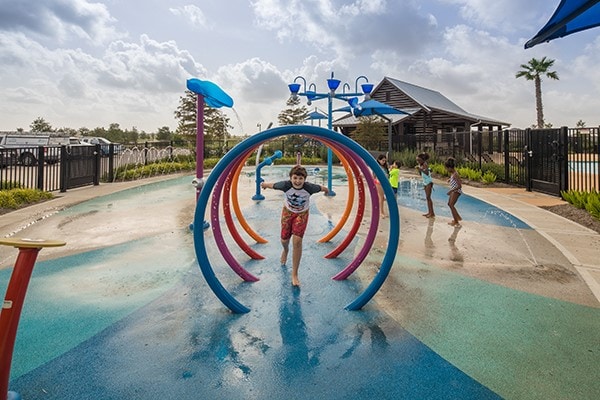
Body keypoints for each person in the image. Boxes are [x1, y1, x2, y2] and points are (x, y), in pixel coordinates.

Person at [261, 165, 329, 287]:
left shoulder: (310, 188)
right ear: (291, 178)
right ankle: (285, 250)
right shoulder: (285, 185)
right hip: (287, 212)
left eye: (300, 178)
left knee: (297, 241)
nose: (297, 181)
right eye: (295, 178)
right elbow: (273, 185)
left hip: (302, 214)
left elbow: (322, 188)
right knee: (284, 239)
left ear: (305, 179)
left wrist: (327, 190)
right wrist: (264, 185)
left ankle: (295, 274)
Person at [444, 157, 463, 226]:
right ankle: (458, 217)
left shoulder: (455, 174)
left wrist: (451, 191)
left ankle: (456, 221)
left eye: (446, 168)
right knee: (449, 204)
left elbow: (459, 186)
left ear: (450, 168)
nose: (446, 170)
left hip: (456, 191)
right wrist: (450, 179)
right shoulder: (453, 173)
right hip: (454, 191)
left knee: (451, 205)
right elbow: (455, 180)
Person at [416, 153, 435, 218]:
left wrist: (420, 169)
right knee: (427, 198)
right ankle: (430, 212)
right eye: (417, 160)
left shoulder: (425, 164)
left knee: (428, 198)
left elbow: (426, 173)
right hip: (425, 182)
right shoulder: (421, 164)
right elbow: (421, 174)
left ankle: (432, 213)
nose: (417, 161)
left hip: (428, 182)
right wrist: (419, 170)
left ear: (422, 159)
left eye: (418, 160)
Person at [374, 154, 389, 218]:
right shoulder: (377, 166)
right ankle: (381, 212)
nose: (384, 162)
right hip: (378, 182)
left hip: (383, 183)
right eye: (382, 160)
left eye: (385, 161)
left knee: (382, 198)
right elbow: (374, 175)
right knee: (381, 197)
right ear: (379, 160)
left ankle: (382, 211)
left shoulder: (384, 167)